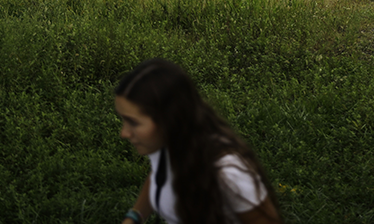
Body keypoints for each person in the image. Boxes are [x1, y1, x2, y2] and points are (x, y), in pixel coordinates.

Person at [114, 58, 282, 224]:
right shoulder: (163, 147)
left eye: (133, 122)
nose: (124, 133)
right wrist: (134, 217)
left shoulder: (227, 175)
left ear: (168, 120)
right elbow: (158, 176)